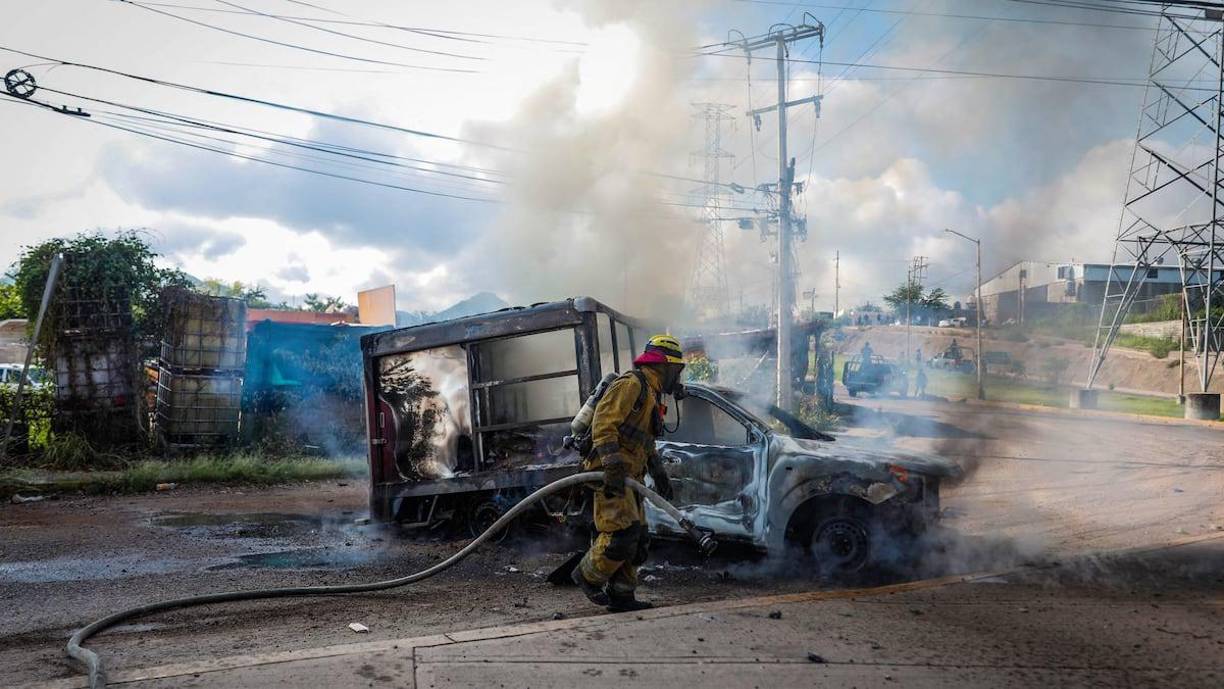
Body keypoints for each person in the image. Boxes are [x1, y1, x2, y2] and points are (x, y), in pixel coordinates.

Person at [573, 335, 683, 612]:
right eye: (677, 369)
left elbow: (645, 442)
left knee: (639, 538)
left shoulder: (651, 393)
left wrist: (659, 474)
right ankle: (587, 575)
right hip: (609, 474)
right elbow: (603, 425)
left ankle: (622, 596)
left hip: (632, 477)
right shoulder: (632, 384)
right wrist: (612, 466)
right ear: (665, 366)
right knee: (622, 534)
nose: (678, 377)